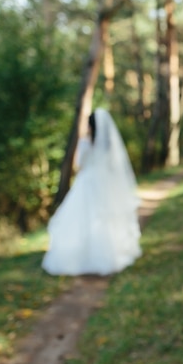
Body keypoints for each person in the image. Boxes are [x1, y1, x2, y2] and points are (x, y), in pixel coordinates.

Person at [42, 108, 142, 276]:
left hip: (87, 181)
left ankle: (83, 255)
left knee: (82, 217)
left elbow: (79, 164)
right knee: (102, 217)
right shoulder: (109, 146)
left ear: (91, 126)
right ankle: (107, 252)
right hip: (103, 183)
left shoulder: (85, 143)